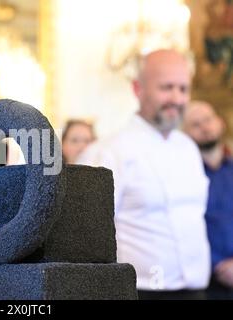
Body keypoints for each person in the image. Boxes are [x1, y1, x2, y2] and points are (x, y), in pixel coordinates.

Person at [79, 49, 210, 299]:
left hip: (197, 289)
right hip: (140, 292)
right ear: (138, 89)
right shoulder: (107, 151)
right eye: (166, 87)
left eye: (183, 89)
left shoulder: (189, 148)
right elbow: (89, 237)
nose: (177, 98)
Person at [183, 100, 233, 299]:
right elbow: (185, 226)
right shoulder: (183, 177)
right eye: (196, 124)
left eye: (208, 119)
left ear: (220, 122)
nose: (205, 127)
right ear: (184, 134)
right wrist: (218, 264)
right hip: (206, 282)